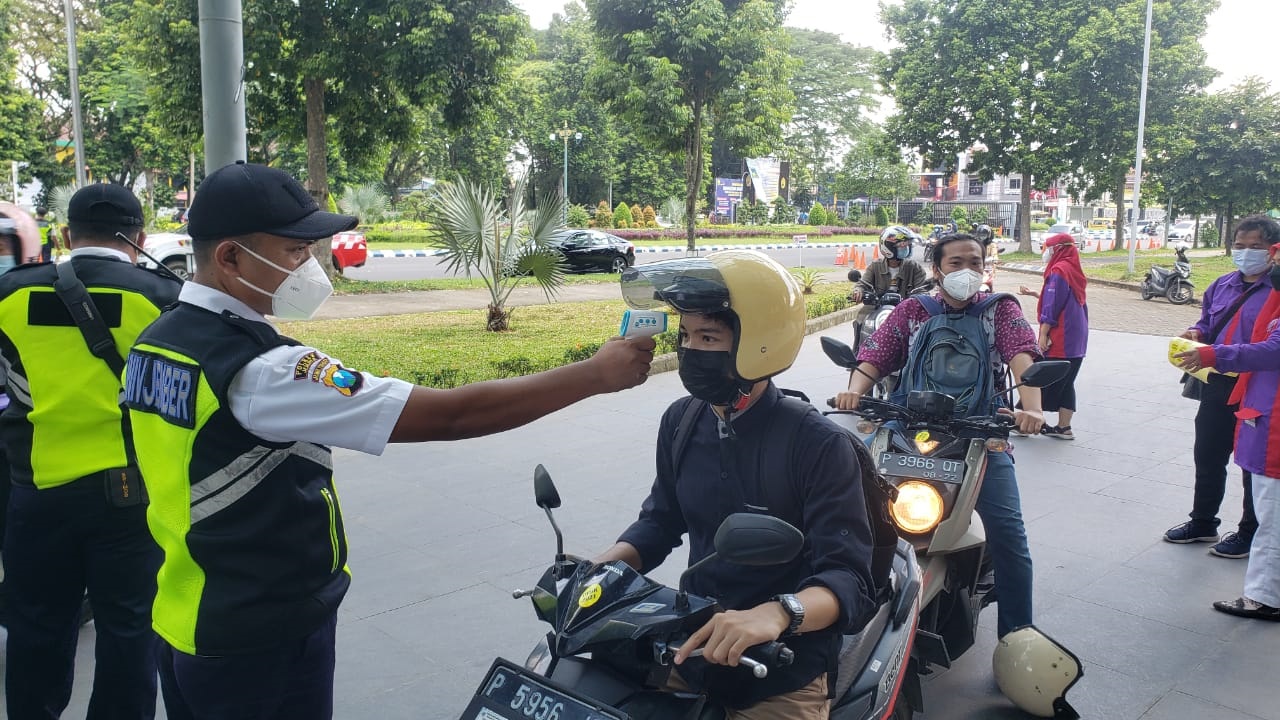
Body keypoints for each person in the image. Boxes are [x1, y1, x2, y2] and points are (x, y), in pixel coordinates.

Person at [122, 161, 655, 720]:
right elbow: (450, 415)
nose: (312, 266)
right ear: (231, 257)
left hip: (185, 616)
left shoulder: (158, 342)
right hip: (262, 634)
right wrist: (594, 375)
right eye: (294, 252)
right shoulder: (267, 372)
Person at [596, 249, 877, 718]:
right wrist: (600, 571)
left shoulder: (819, 444)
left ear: (759, 342)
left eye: (708, 336)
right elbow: (661, 520)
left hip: (781, 668)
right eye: (685, 335)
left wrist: (778, 613)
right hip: (693, 642)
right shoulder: (683, 421)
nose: (689, 351)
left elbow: (847, 578)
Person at [0, 183, 182, 719]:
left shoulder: (10, 294)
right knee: (129, 630)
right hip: (129, 494)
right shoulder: (162, 296)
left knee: (36, 626)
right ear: (140, 237)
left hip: (33, 491)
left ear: (63, 235)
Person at [834, 232, 1045, 640]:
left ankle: (1018, 637)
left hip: (979, 435)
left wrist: (1032, 409)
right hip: (905, 427)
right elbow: (875, 354)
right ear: (937, 269)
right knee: (844, 500)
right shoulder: (915, 310)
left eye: (975, 263)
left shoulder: (999, 311)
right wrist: (853, 393)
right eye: (956, 263)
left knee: (1010, 535)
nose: (966, 271)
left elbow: (1023, 354)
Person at [1174, 236, 1280, 621]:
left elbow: (1273, 348)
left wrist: (1216, 352)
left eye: (1256, 244)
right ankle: (1203, 521)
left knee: (1258, 473)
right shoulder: (1223, 284)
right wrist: (1198, 335)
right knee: (1209, 453)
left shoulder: (1275, 289)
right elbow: (1207, 322)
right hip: (1221, 380)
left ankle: (1250, 537)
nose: (1245, 251)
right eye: (1239, 243)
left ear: (1273, 250)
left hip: (1257, 387)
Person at [1017, 232, 1090, 439]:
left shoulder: (1058, 270)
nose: (1044, 252)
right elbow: (1063, 297)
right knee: (1067, 381)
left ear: (1057, 249)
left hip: (1062, 336)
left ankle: (1023, 422)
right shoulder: (1073, 269)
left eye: (1046, 247)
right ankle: (1064, 427)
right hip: (1077, 338)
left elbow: (1052, 306)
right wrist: (1035, 294)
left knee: (1040, 376)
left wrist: (1043, 334)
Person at [848, 225, 930, 303]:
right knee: (862, 316)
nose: (906, 248)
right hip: (878, 310)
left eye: (908, 245)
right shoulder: (875, 266)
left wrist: (920, 297)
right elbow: (863, 283)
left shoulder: (915, 268)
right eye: (902, 245)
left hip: (906, 312)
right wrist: (858, 291)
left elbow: (921, 289)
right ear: (888, 247)